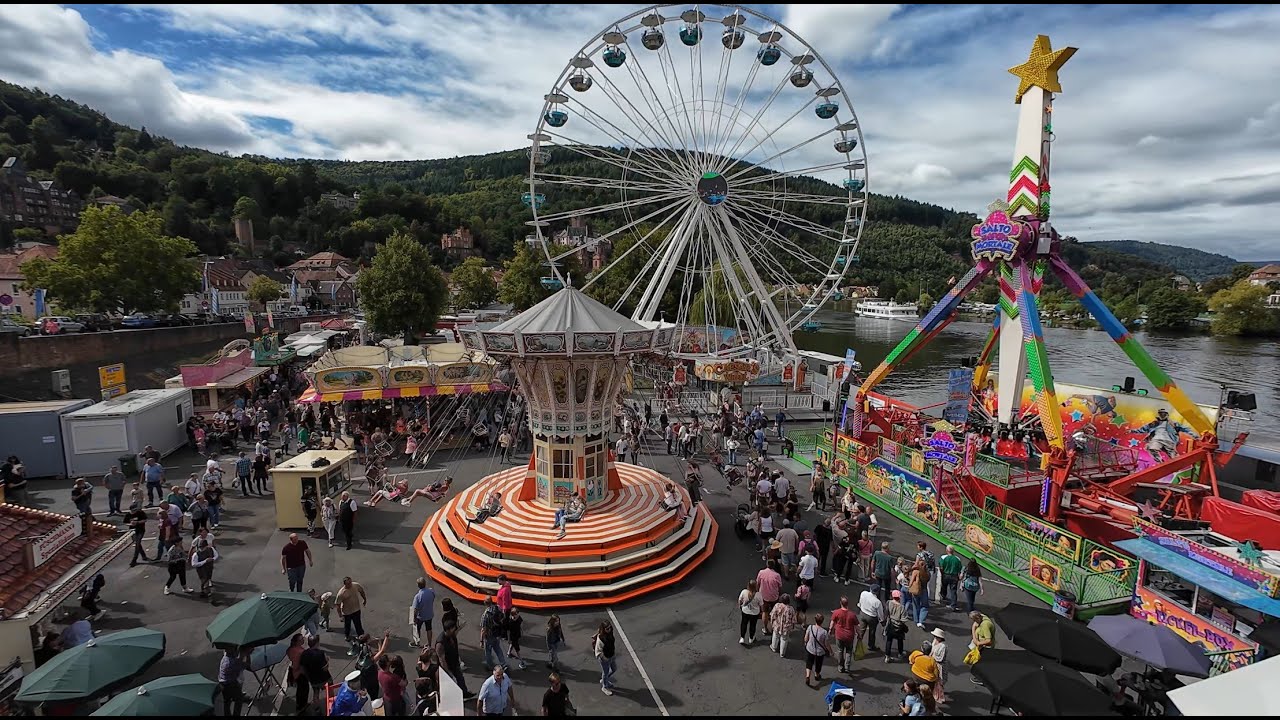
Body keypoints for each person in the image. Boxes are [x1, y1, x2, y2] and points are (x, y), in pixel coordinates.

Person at [437, 621, 475, 700]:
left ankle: (464, 693)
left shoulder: (451, 635)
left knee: (460, 678)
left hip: (455, 663)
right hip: (448, 666)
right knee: (448, 683)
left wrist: (461, 626)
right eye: (453, 630)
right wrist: (448, 672)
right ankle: (448, 698)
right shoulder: (440, 644)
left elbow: (457, 631)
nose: (455, 631)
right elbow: (442, 660)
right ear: (447, 630)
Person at [299, 634, 330, 715]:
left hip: (313, 679)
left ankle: (317, 709)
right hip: (324, 678)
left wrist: (308, 677)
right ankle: (331, 704)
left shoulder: (304, 654)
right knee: (329, 689)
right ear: (317, 643)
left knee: (316, 694)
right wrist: (327, 661)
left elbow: (302, 669)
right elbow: (325, 668)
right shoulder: (321, 653)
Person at [829, 596, 859, 674]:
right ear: (847, 604)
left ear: (840, 603)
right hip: (849, 636)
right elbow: (856, 626)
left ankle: (841, 666)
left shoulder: (836, 612)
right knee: (848, 651)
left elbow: (832, 623)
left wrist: (830, 631)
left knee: (840, 650)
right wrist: (859, 634)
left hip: (839, 635)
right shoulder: (852, 615)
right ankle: (847, 666)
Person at [802, 612, 832, 688]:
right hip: (819, 652)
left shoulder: (810, 627)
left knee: (809, 662)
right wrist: (830, 651)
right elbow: (826, 644)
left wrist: (806, 643)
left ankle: (808, 676)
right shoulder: (824, 632)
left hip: (810, 649)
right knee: (818, 664)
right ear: (822, 621)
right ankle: (817, 675)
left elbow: (806, 638)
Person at [336, 576, 368, 643]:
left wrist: (364, 599)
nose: (350, 584)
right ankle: (347, 636)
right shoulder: (341, 593)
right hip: (347, 612)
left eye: (350, 582)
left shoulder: (356, 585)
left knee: (358, 624)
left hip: (356, 609)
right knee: (347, 625)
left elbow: (361, 591)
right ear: (345, 584)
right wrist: (340, 616)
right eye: (348, 583)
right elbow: (338, 605)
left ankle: (361, 637)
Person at [218, 647, 248, 717]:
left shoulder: (225, 658)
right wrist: (246, 655)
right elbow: (247, 665)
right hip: (231, 684)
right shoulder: (233, 662)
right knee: (239, 699)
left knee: (227, 702)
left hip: (222, 683)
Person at [481, 596, 508, 671]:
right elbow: (503, 617)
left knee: (488, 651)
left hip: (489, 635)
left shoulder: (485, 615)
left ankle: (490, 666)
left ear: (485, 603)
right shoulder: (497, 608)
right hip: (497, 633)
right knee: (498, 649)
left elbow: (484, 629)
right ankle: (503, 664)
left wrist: (481, 640)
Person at [857, 584, 886, 653]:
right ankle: (871, 645)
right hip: (872, 617)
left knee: (861, 630)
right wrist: (882, 621)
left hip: (863, 613)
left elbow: (860, 602)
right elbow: (880, 613)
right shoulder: (877, 602)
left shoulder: (863, 593)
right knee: (872, 632)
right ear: (877, 592)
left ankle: (858, 643)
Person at [769, 592, 798, 657]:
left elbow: (772, 614)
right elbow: (794, 619)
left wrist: (772, 622)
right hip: (786, 627)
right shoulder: (791, 609)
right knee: (784, 639)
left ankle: (774, 647)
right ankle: (782, 653)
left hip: (777, 625)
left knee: (775, 635)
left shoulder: (777, 605)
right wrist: (793, 626)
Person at [411, 577, 437, 649]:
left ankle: (417, 642)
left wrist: (414, 618)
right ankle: (429, 644)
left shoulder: (417, 596)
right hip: (429, 614)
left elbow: (415, 609)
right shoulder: (431, 591)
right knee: (429, 628)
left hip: (421, 616)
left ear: (418, 586)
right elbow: (434, 597)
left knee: (417, 629)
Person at [593, 621, 618, 695]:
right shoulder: (601, 638)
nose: (609, 629)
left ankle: (604, 680)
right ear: (603, 629)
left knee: (614, 669)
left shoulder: (610, 634)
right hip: (604, 658)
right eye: (607, 628)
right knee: (605, 672)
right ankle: (604, 687)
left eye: (610, 627)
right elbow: (598, 651)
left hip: (611, 655)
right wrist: (604, 658)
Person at [885, 590, 910, 661]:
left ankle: (887, 656)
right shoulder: (902, 607)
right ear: (899, 597)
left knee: (889, 640)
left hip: (890, 624)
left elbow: (886, 612)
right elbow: (904, 619)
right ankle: (900, 653)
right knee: (900, 640)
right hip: (898, 626)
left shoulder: (888, 603)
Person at [738, 579, 763, 646]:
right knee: (753, 625)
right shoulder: (758, 595)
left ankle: (742, 637)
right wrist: (761, 611)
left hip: (745, 610)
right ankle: (751, 638)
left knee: (744, 623)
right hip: (754, 613)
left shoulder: (744, 592)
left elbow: (740, 600)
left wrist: (740, 606)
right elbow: (761, 604)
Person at [929, 628, 948, 704]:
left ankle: (939, 696)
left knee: (939, 681)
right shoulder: (934, 641)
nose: (936, 638)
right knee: (934, 680)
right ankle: (936, 692)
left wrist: (932, 657)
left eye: (937, 636)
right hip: (933, 663)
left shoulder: (943, 646)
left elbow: (941, 658)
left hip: (940, 666)